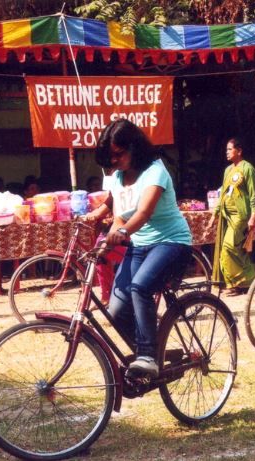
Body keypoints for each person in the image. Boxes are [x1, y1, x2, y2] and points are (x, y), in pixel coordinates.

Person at [94, 119, 192, 378]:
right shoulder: (116, 177)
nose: (115, 161)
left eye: (119, 154)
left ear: (134, 147)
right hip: (140, 245)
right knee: (115, 310)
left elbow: (144, 213)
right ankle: (153, 353)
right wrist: (108, 239)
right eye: (110, 157)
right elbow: (120, 217)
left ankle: (148, 355)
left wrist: (124, 232)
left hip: (172, 242)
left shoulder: (155, 171)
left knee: (140, 287)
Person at [209, 137, 255, 296]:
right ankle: (248, 281)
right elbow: (223, 193)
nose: (227, 152)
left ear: (239, 151)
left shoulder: (248, 169)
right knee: (237, 250)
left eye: (230, 149)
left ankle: (236, 284)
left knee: (229, 247)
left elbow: (254, 195)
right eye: (226, 150)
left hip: (240, 216)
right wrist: (214, 214)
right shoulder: (228, 170)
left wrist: (253, 217)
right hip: (226, 216)